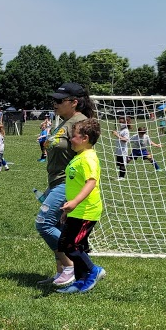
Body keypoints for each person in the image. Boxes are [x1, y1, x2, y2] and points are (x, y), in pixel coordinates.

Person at [35, 83, 93, 286]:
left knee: (44, 223)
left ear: (74, 102)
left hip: (67, 183)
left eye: (59, 100)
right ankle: (62, 273)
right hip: (56, 181)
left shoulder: (80, 123)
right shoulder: (65, 121)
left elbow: (87, 156)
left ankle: (76, 265)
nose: (54, 104)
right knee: (58, 225)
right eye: (54, 100)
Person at [56, 119, 105, 293]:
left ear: (84, 138)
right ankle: (80, 281)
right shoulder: (80, 157)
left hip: (86, 211)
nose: (70, 140)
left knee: (70, 246)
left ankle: (93, 270)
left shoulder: (89, 158)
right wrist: (69, 207)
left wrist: (76, 202)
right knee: (73, 245)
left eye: (73, 137)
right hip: (76, 211)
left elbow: (91, 182)